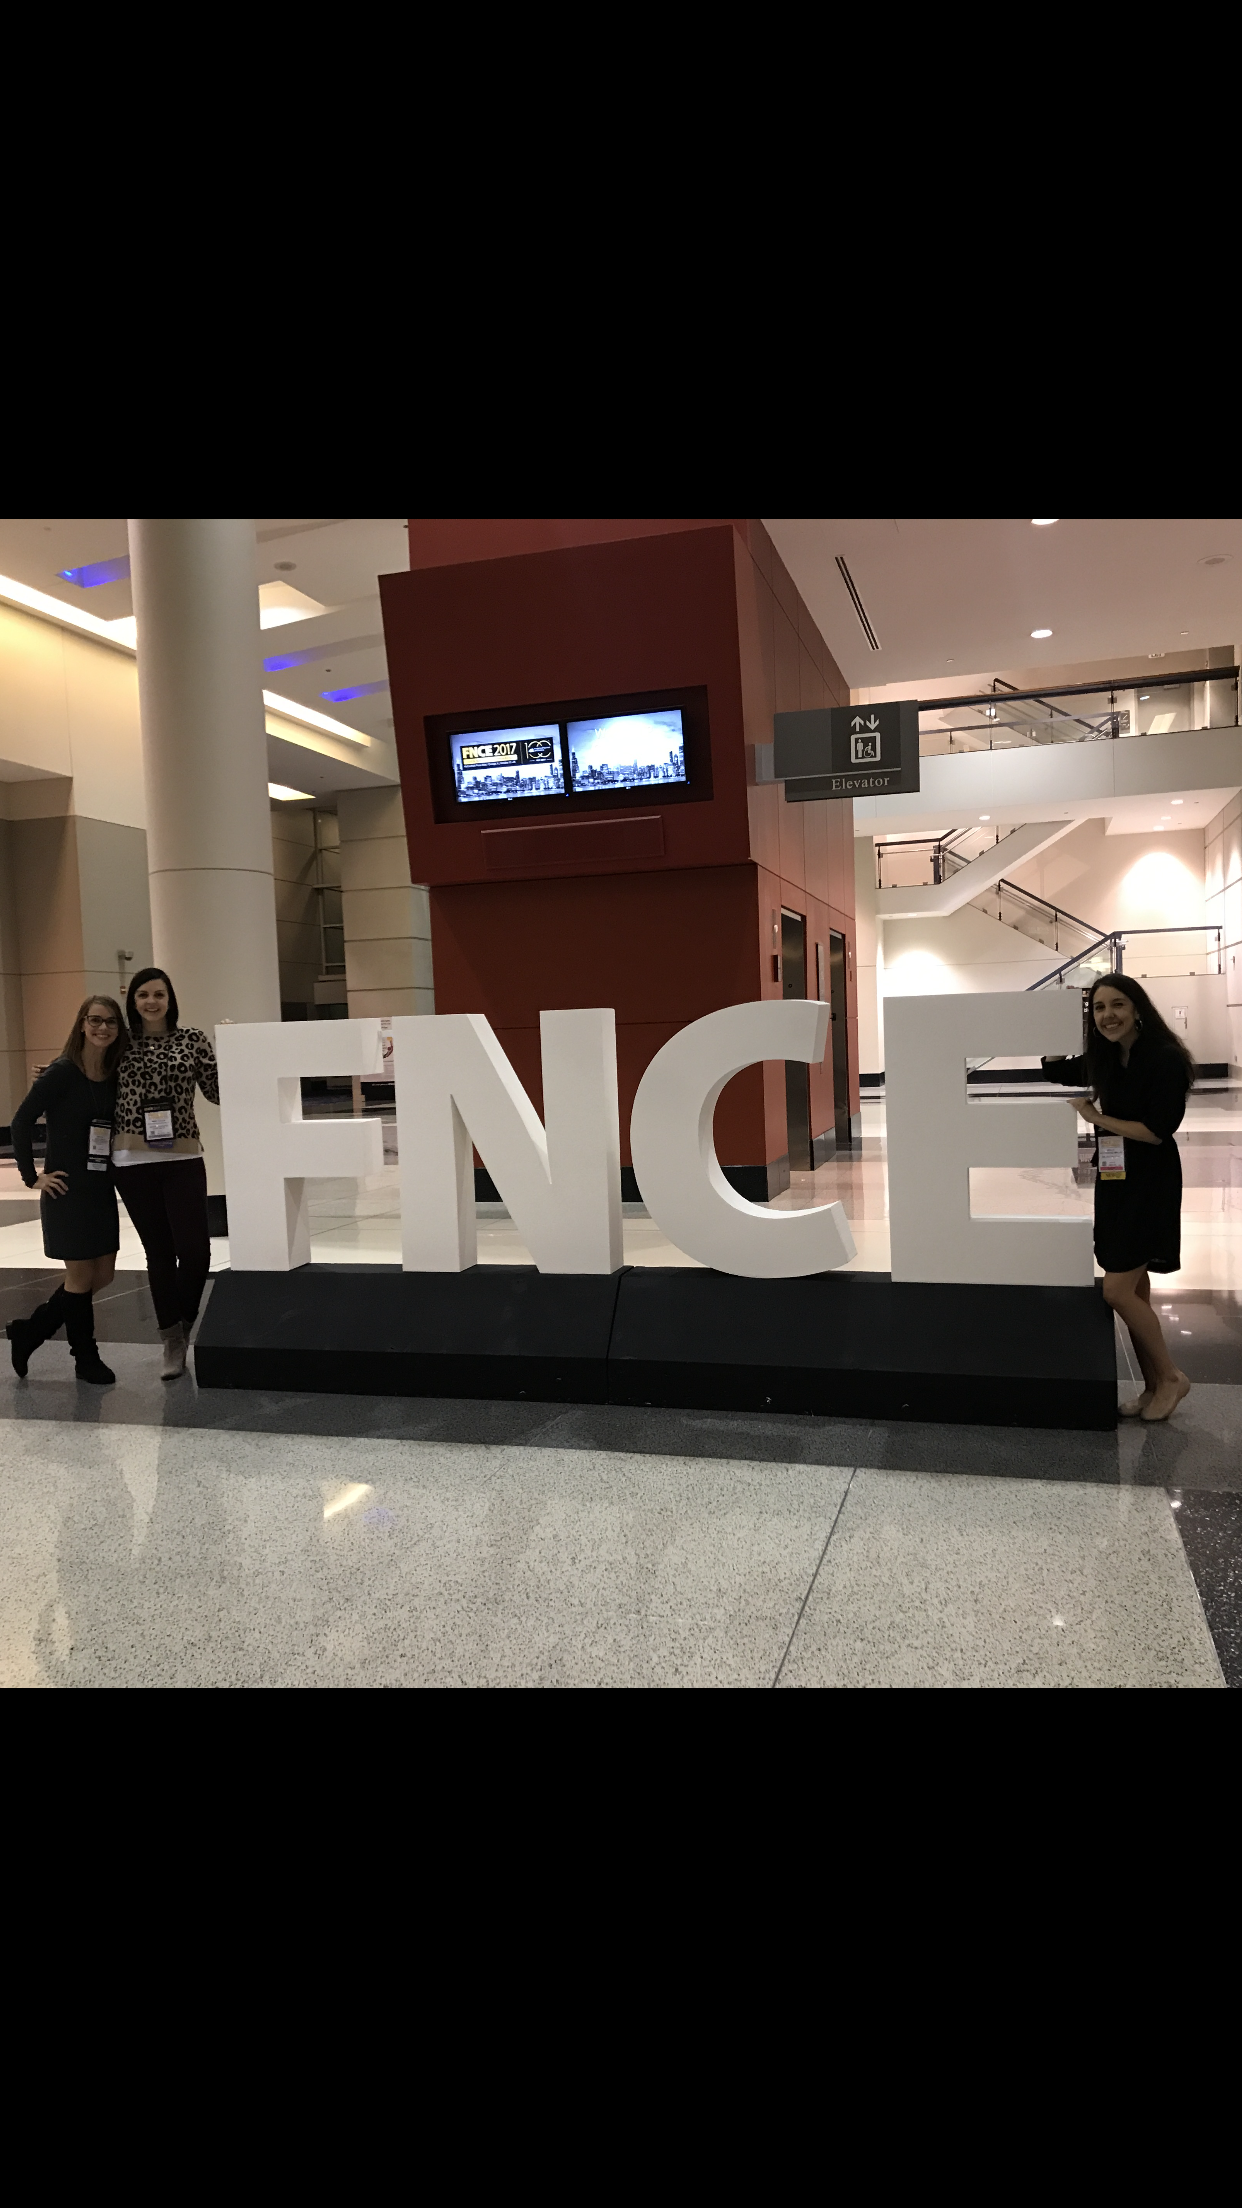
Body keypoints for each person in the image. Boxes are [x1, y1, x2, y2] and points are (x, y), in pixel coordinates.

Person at [1043, 973, 1193, 1423]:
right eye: (1099, 1008)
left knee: (1117, 1290)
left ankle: (1170, 1378)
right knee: (1136, 1287)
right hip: (1116, 1178)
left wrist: (1094, 1115)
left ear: (1137, 1008)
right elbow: (1054, 1068)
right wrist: (1061, 1025)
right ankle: (1152, 1387)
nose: (1109, 1016)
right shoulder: (1107, 1057)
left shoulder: (1164, 1058)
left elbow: (1156, 1131)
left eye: (1118, 1005)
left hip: (1150, 1181)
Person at [6, 996, 129, 1385]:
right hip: (66, 1191)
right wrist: (32, 1176)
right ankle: (85, 1358)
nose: (102, 1028)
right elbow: (21, 1121)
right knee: (78, 1277)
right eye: (95, 1020)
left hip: (99, 1187)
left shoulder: (114, 1073)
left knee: (103, 1275)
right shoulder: (60, 1072)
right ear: (81, 1024)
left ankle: (31, 1330)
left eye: (110, 1021)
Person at [113, 967, 219, 1380]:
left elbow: (215, 1089)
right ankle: (171, 1341)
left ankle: (186, 1324)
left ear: (170, 999)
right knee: (159, 1254)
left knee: (196, 1252)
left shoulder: (191, 1039)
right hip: (131, 1161)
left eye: (158, 994)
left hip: (182, 1157)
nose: (151, 1002)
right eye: (143, 995)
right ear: (133, 1001)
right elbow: (89, 1079)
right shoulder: (121, 1042)